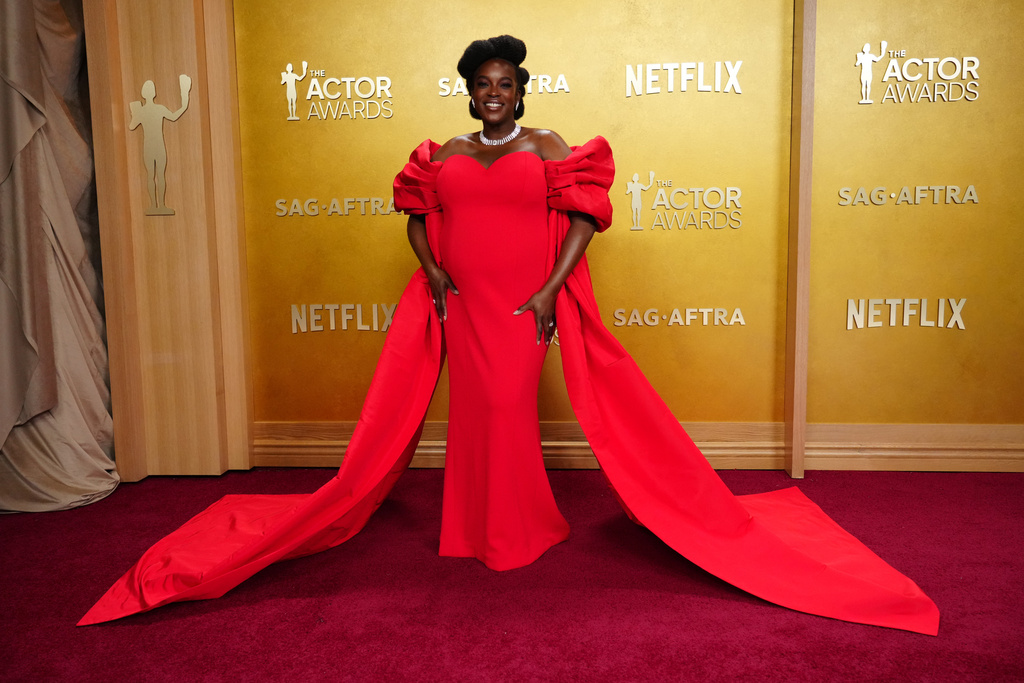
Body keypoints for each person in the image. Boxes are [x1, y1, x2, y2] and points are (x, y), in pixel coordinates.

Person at [80, 36, 939, 636]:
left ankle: (521, 529)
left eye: (505, 83)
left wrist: (552, 290)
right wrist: (434, 273)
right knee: (475, 413)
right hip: (464, 303)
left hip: (524, 305)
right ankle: (471, 528)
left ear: (521, 89)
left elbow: (587, 217)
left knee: (505, 407)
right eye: (483, 83)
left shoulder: (550, 143)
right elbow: (415, 217)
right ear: (470, 91)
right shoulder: (444, 149)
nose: (494, 93)